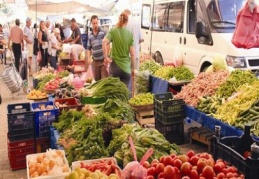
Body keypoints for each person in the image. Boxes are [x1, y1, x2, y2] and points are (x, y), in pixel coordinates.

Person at [102, 12, 135, 86]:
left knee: (114, 92)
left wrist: (106, 57)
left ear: (119, 19)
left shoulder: (113, 30)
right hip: (126, 69)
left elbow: (104, 42)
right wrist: (133, 69)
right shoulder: (130, 34)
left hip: (114, 67)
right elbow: (132, 55)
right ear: (126, 22)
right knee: (123, 93)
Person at [87, 15, 108, 81]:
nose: (95, 25)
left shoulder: (103, 32)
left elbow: (108, 45)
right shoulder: (90, 36)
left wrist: (106, 57)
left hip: (103, 62)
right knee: (97, 81)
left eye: (96, 23)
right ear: (91, 23)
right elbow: (88, 48)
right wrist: (88, 58)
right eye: (94, 23)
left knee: (104, 81)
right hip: (95, 62)